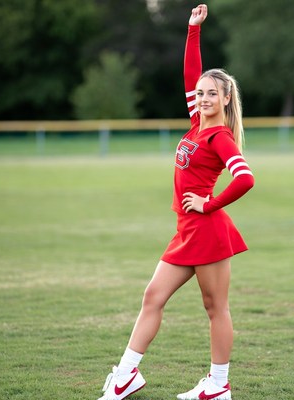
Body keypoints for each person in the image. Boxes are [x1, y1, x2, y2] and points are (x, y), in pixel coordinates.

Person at [98, 4, 254, 400]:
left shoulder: (219, 137)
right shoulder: (195, 123)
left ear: (225, 98)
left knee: (215, 308)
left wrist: (210, 204)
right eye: (199, 93)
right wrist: (192, 29)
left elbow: (246, 178)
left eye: (210, 94)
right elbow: (190, 73)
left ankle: (219, 386)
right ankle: (126, 375)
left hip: (207, 230)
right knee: (153, 296)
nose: (202, 97)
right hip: (186, 231)